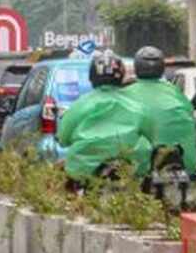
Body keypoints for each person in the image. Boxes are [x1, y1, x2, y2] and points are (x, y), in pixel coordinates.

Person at [57, 50, 156, 180]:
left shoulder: (80, 105)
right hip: (132, 172)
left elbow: (63, 139)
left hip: (84, 173)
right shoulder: (138, 106)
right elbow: (151, 136)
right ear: (121, 76)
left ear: (92, 77)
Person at [123, 46, 196, 173]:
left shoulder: (125, 94)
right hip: (178, 156)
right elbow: (190, 114)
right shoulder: (174, 91)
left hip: (139, 164)